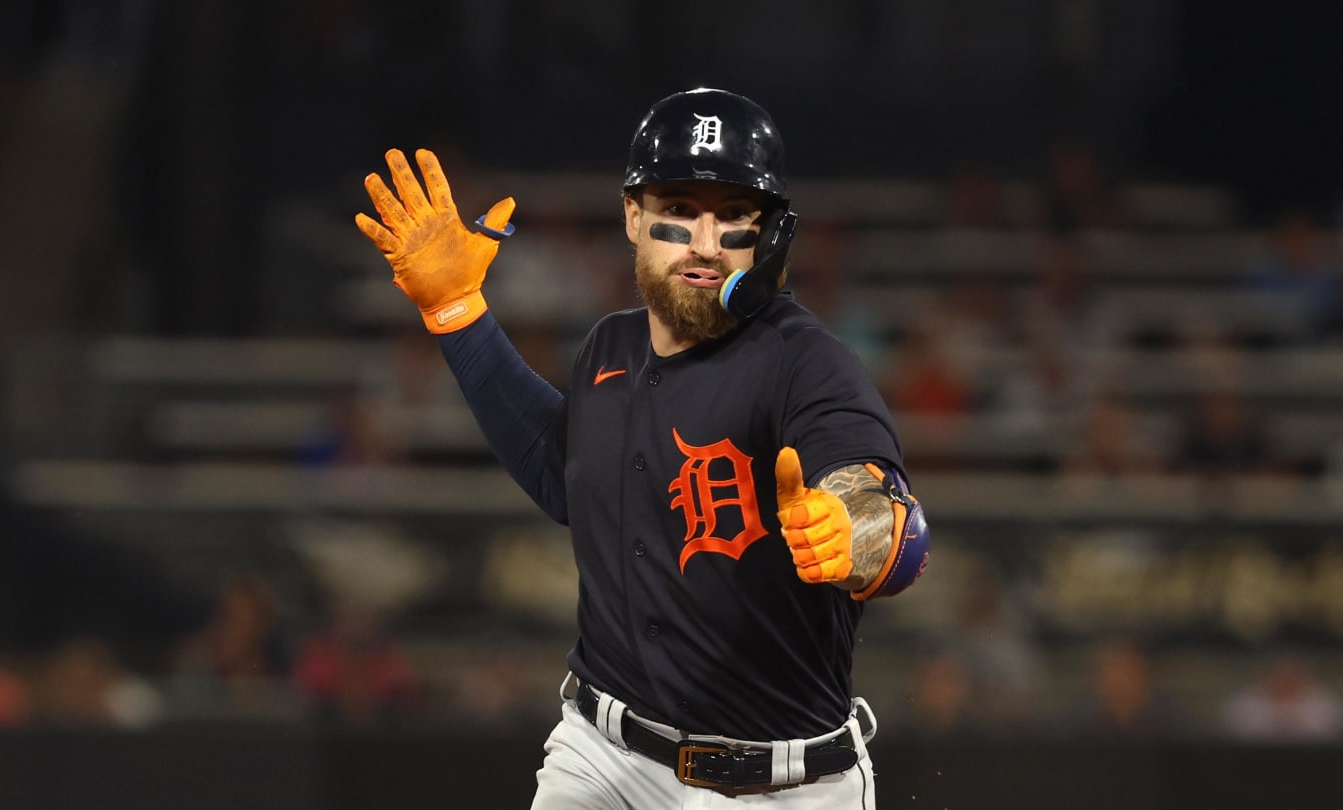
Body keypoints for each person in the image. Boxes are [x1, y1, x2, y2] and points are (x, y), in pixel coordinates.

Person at [355, 87, 931, 808]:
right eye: (679, 211)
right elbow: (562, 472)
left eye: (734, 216)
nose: (705, 241)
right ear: (633, 216)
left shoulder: (803, 361)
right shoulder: (610, 346)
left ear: (772, 234)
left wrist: (862, 530)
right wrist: (457, 316)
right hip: (601, 755)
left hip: (782, 783)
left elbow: (882, 507)